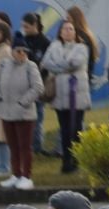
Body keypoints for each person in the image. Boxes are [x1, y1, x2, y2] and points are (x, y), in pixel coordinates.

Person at [42, 18, 93, 174]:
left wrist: (58, 66)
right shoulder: (54, 46)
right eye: (65, 29)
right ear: (60, 32)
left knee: (76, 129)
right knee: (64, 129)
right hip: (60, 96)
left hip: (77, 95)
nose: (68, 31)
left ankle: (77, 161)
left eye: (71, 29)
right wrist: (64, 65)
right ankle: (66, 162)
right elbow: (45, 63)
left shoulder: (82, 47)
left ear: (75, 32)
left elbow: (76, 63)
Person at [0, 40, 46, 190]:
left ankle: (26, 176)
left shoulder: (31, 66)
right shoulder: (4, 65)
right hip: (7, 112)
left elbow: (38, 87)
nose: (22, 54)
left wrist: (23, 102)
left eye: (25, 51)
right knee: (13, 146)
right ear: (12, 51)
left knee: (25, 146)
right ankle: (16, 174)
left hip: (24, 113)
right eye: (18, 51)